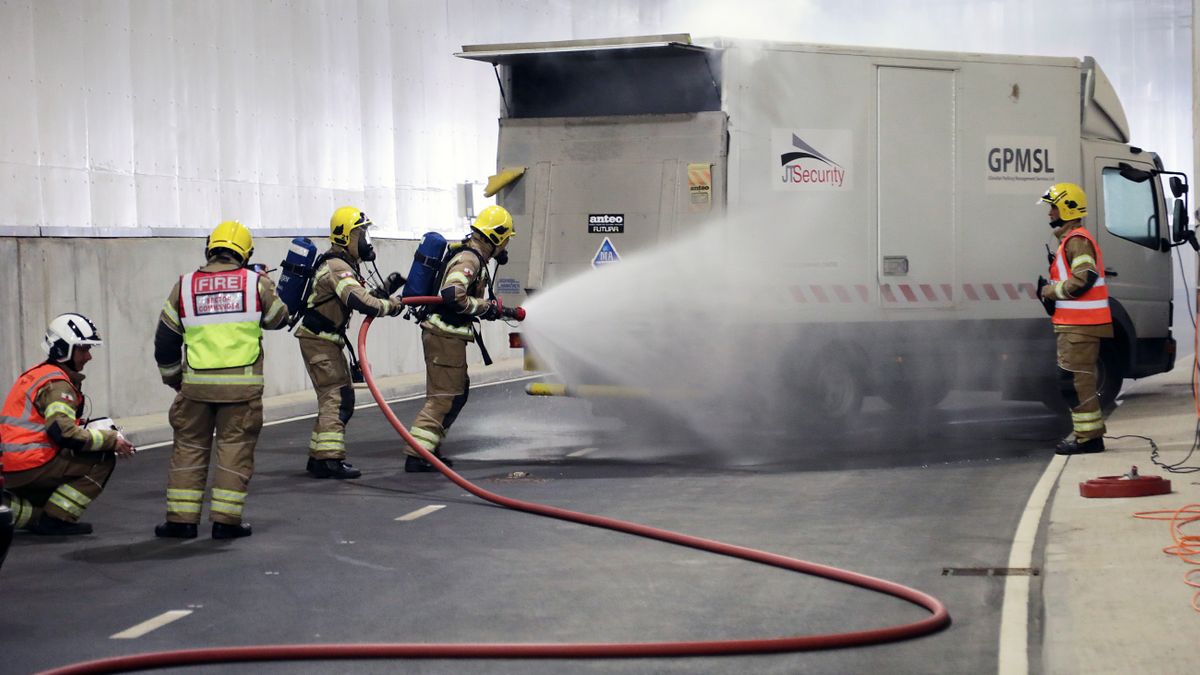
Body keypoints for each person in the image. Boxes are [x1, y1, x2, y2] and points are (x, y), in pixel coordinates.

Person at [153, 220, 289, 539]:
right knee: (234, 451)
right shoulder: (255, 283)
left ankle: (181, 522)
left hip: (196, 388)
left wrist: (174, 379)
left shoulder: (185, 285)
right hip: (240, 391)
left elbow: (166, 340)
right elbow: (278, 319)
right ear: (246, 253)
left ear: (209, 249)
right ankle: (226, 523)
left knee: (189, 448)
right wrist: (267, 283)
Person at [0, 313, 136, 535]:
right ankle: (57, 519)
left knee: (46, 496)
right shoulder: (57, 385)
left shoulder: (38, 375)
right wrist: (111, 440)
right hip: (33, 465)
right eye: (83, 349)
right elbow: (62, 432)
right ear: (63, 350)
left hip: (12, 466)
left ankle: (32, 513)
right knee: (102, 458)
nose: (88, 356)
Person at [296, 206, 403, 479]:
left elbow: (362, 297)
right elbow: (358, 300)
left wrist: (387, 289)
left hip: (324, 340)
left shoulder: (344, 265)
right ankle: (329, 460)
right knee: (337, 398)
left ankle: (319, 457)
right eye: (361, 234)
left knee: (335, 398)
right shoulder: (337, 267)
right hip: (320, 341)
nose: (366, 241)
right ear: (346, 236)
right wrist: (391, 306)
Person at [407, 205, 516, 472]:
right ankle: (418, 455)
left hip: (447, 336)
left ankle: (428, 449)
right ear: (496, 237)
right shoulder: (470, 260)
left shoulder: (472, 256)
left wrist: (492, 309)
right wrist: (485, 307)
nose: (505, 247)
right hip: (444, 335)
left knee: (456, 392)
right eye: (505, 240)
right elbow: (452, 294)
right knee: (444, 397)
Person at [1036, 183, 1113, 455]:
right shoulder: (1070, 240)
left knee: (1077, 384)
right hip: (1076, 327)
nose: (1050, 213)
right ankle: (1088, 436)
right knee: (1074, 383)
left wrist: (1049, 291)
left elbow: (1084, 279)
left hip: (1082, 328)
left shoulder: (1077, 241)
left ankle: (1089, 439)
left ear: (1067, 208)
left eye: (1053, 208)